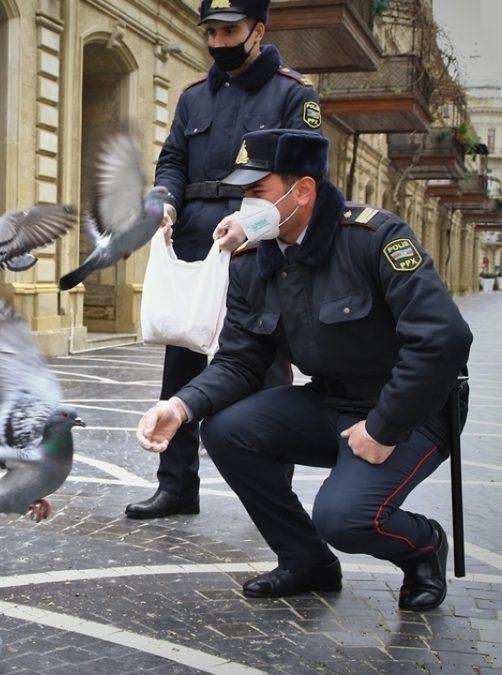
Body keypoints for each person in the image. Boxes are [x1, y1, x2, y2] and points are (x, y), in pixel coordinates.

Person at [136, 128, 472, 611]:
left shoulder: (375, 237)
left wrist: (384, 428)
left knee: (344, 518)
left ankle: (422, 547)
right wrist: (181, 406)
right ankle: (306, 560)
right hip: (331, 399)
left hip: (414, 409)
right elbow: (240, 358)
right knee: (228, 430)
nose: (245, 205)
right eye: (243, 192)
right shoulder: (254, 259)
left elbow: (444, 338)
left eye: (257, 192)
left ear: (304, 191)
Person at [129, 0, 323, 520]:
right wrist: (162, 202)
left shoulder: (293, 92)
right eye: (210, 31)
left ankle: (273, 501)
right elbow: (171, 161)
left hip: (258, 251)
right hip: (196, 245)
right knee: (182, 367)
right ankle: (176, 486)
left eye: (229, 30)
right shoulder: (194, 97)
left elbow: (305, 178)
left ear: (257, 31)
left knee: (262, 373)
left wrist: (254, 223)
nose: (217, 42)